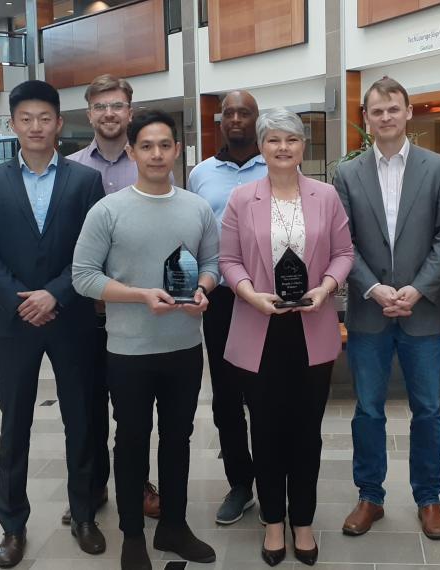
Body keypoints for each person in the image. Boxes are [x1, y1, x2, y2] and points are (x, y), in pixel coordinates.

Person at [0, 80, 106, 568]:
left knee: (82, 421)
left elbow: (93, 251)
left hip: (70, 319)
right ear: (13, 125)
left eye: (45, 118)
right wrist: (18, 298)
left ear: (59, 124)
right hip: (15, 321)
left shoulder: (85, 181)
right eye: (26, 118)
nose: (36, 127)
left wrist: (56, 294)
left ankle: (85, 514)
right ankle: (12, 525)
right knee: (15, 424)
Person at [72, 109, 219, 570]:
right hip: (129, 350)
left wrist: (203, 289)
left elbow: (214, 264)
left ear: (178, 150)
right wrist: (138, 296)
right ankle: (133, 533)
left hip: (184, 347)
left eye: (165, 145)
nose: (157, 154)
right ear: (132, 152)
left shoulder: (196, 208)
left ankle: (173, 525)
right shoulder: (108, 210)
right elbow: (83, 277)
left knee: (178, 437)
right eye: (147, 146)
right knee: (132, 439)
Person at [219, 108, 354, 566]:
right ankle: (273, 522)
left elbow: (343, 252)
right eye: (273, 140)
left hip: (310, 329)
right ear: (261, 146)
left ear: (303, 147)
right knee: (267, 432)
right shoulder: (242, 198)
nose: (283, 148)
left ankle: (304, 522)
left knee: (306, 434)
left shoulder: (326, 196)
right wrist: (249, 293)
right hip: (260, 330)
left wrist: (327, 288)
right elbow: (228, 260)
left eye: (292, 140)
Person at [334, 76, 440, 540]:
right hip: (370, 313)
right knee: (368, 410)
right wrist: (373, 289)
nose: (385, 117)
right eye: (376, 111)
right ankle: (371, 496)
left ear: (409, 113)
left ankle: (429, 499)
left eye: (393, 109)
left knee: (428, 410)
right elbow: (342, 240)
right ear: (366, 119)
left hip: (422, 312)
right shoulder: (346, 174)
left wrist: (418, 289)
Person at [64, 74, 161, 526]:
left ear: (129, 110)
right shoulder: (70, 168)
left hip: (136, 311)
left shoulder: (149, 161)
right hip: (83, 312)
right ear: (89, 113)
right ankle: (90, 486)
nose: (109, 113)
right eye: (100, 105)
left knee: (133, 408)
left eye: (117, 105)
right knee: (85, 407)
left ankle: (137, 483)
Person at [188, 90, 268, 525]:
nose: (236, 119)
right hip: (219, 299)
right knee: (225, 396)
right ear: (220, 120)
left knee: (266, 394)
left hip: (267, 299)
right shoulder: (201, 174)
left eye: (245, 112)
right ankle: (241, 483)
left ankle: (274, 476)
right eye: (229, 113)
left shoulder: (275, 168)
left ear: (257, 119)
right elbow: (194, 234)